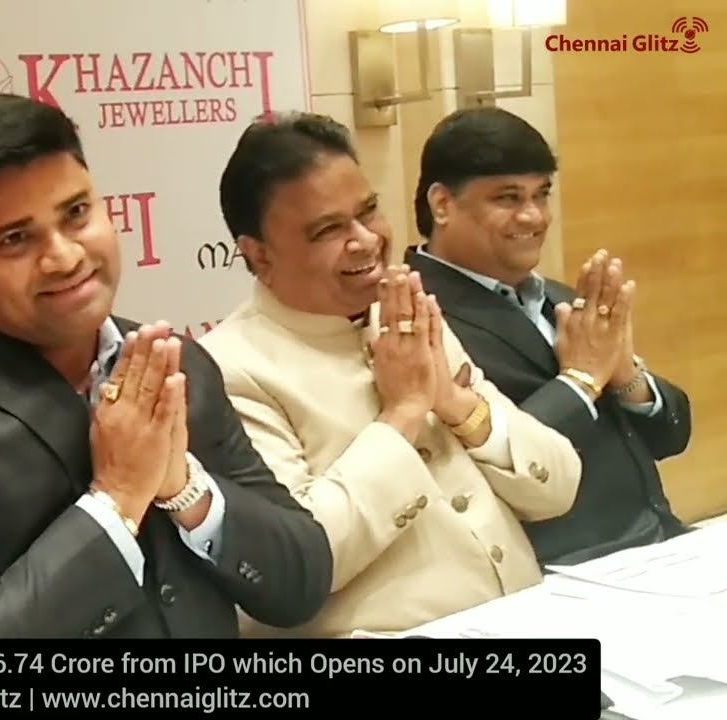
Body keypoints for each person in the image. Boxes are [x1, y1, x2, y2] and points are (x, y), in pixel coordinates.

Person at [0, 94, 333, 638]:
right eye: (16, 239)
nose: (64, 257)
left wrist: (185, 489)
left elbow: (302, 583)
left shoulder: (175, 365)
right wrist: (117, 498)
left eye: (76, 214)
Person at [200, 112, 581, 638]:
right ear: (258, 255)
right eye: (328, 229)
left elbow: (557, 487)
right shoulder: (227, 371)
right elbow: (300, 565)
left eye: (368, 212)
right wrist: (403, 413)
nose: (365, 240)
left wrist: (457, 405)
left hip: (523, 620)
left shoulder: (405, 314)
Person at [405, 107, 692, 564]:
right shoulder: (417, 316)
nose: (534, 216)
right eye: (508, 198)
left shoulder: (560, 299)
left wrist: (625, 376)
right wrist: (580, 381)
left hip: (661, 543)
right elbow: (478, 464)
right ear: (442, 205)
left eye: (542, 195)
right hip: (560, 570)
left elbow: (670, 438)